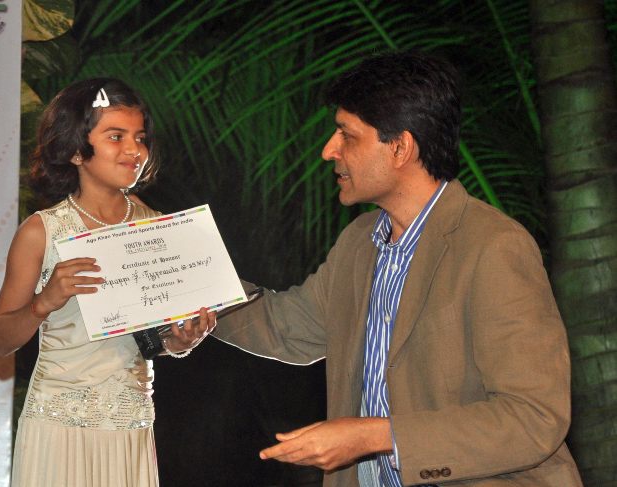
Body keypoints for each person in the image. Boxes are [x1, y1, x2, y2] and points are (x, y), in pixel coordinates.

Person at [208, 51, 583, 486]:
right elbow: (283, 325)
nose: (329, 150)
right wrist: (186, 292)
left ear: (401, 147)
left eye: (347, 135)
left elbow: (533, 418)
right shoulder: (359, 243)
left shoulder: (494, 246)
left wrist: (374, 436)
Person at [0, 78, 215, 487]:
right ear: (76, 149)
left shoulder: (158, 229)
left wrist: (179, 342)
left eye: (140, 138)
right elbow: (0, 340)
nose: (135, 150)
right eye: (116, 137)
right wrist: (44, 301)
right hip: (58, 427)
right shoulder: (42, 232)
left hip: (130, 425)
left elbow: (149, 339)